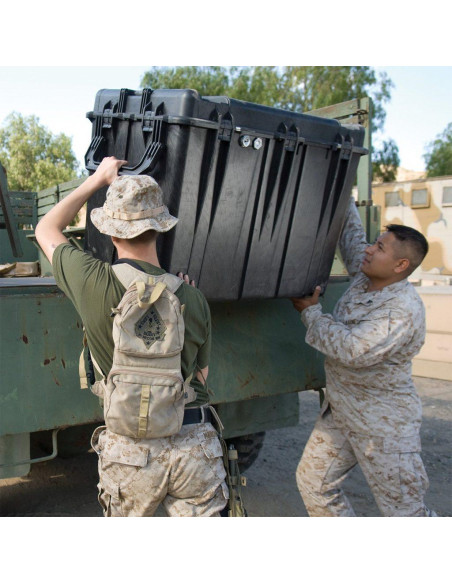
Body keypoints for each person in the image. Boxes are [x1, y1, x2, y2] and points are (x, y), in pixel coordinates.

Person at [35, 156, 228, 517]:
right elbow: (201, 378)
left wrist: (97, 179)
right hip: (192, 446)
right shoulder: (193, 298)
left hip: (130, 454)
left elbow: (46, 228)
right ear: (160, 228)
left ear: (111, 232)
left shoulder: (91, 280)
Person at [291, 196, 435, 517]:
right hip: (343, 412)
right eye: (375, 243)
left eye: (380, 248)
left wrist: (311, 313)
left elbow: (353, 350)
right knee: (314, 483)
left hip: (382, 425)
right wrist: (341, 193)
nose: (369, 250)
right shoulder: (367, 274)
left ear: (400, 266)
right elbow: (352, 236)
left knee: (406, 514)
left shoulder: (401, 309)